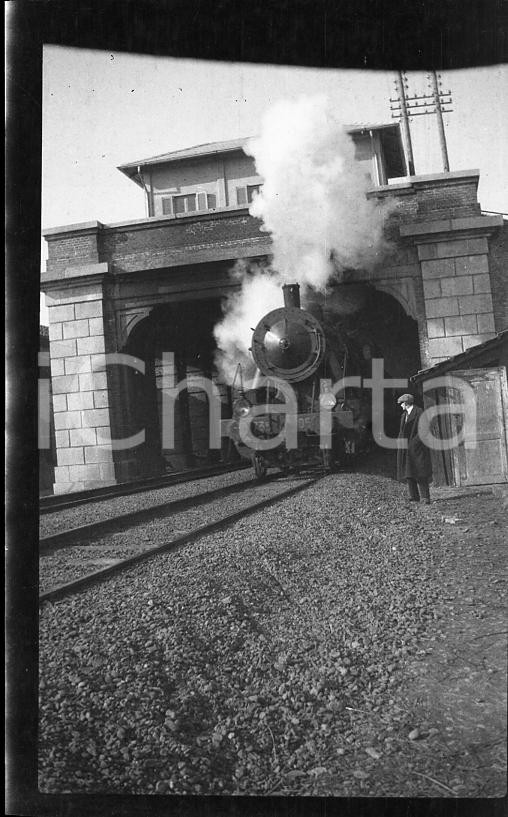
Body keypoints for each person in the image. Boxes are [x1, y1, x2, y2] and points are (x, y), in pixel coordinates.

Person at [396, 393, 432, 504]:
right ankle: (414, 496)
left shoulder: (419, 412)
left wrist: (414, 443)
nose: (400, 405)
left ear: (406, 403)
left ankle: (425, 497)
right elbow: (402, 431)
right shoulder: (404, 415)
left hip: (417, 447)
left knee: (421, 472)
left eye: (401, 403)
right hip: (406, 447)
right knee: (409, 472)